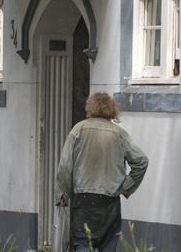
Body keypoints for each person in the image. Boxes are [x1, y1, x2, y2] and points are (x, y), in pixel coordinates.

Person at [55, 93, 148, 252]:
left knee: (83, 242)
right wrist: (125, 187)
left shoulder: (78, 129)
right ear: (112, 109)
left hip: (83, 199)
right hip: (110, 200)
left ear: (90, 107)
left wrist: (63, 194)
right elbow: (141, 161)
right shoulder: (120, 134)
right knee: (109, 243)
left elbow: (64, 166)